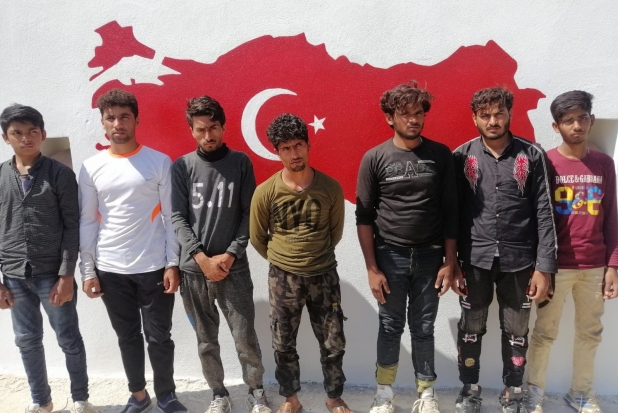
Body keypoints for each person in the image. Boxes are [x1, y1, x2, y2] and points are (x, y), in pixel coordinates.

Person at [78, 89, 187, 413]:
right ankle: (138, 395)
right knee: (127, 336)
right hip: (111, 269)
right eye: (110, 117)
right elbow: (87, 221)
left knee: (159, 337)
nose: (118, 123)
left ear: (136, 120)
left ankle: (166, 395)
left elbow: (171, 217)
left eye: (124, 116)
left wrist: (172, 263)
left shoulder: (158, 161)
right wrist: (88, 270)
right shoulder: (91, 167)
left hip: (154, 266)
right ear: (102, 123)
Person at [355, 82, 458, 413]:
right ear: (390, 117)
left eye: (418, 113)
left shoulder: (440, 155)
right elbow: (364, 217)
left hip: (430, 257)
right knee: (390, 327)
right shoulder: (374, 158)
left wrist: (450, 261)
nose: (414, 120)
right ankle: (384, 394)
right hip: (389, 256)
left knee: (423, 329)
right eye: (405, 114)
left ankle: (426, 394)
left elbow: (451, 211)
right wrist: (372, 269)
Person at [452, 87, 555, 413]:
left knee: (517, 330)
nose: (493, 121)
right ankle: (469, 389)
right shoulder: (461, 157)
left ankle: (513, 391)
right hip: (474, 259)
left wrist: (545, 267)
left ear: (510, 113)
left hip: (520, 260)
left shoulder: (532, 155)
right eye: (485, 115)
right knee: (471, 328)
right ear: (475, 118)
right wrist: (451, 263)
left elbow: (545, 213)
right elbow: (451, 213)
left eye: (499, 114)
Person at [170, 96, 270, 413]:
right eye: (200, 129)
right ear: (191, 130)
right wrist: (201, 259)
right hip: (194, 272)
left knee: (244, 337)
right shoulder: (182, 166)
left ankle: (256, 392)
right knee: (205, 340)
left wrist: (230, 255)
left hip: (233, 269)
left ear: (223, 127)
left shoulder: (240, 163)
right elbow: (177, 217)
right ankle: (218, 394)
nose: (208, 135)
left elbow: (248, 214)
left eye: (213, 127)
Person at [250, 114, 352, 413]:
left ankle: (334, 398)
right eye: (285, 148)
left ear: (308, 146)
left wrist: (312, 256)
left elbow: (335, 232)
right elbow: (257, 237)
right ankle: (291, 399)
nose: (293, 154)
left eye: (298, 145)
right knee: (283, 342)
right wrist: (285, 259)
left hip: (324, 275)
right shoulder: (265, 192)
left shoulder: (330, 188)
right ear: (277, 152)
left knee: (333, 342)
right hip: (283, 278)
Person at [0, 104, 99, 413]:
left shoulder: (60, 174)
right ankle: (41, 401)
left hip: (53, 274)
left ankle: (80, 398)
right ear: (5, 137)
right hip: (13, 275)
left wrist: (67, 275)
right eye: (17, 133)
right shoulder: (0, 176)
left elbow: (72, 226)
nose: (25, 138)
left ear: (42, 134)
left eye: (32, 132)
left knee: (68, 338)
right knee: (26, 340)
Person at [525, 91, 618, 413]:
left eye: (582, 118)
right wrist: (540, 266)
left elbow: (610, 216)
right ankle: (534, 392)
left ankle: (581, 393)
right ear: (556, 126)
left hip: (594, 266)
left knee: (590, 333)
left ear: (591, 120)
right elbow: (536, 217)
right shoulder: (547, 162)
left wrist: (613, 265)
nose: (576, 126)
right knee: (544, 333)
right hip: (556, 266)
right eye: (568, 120)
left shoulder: (603, 164)